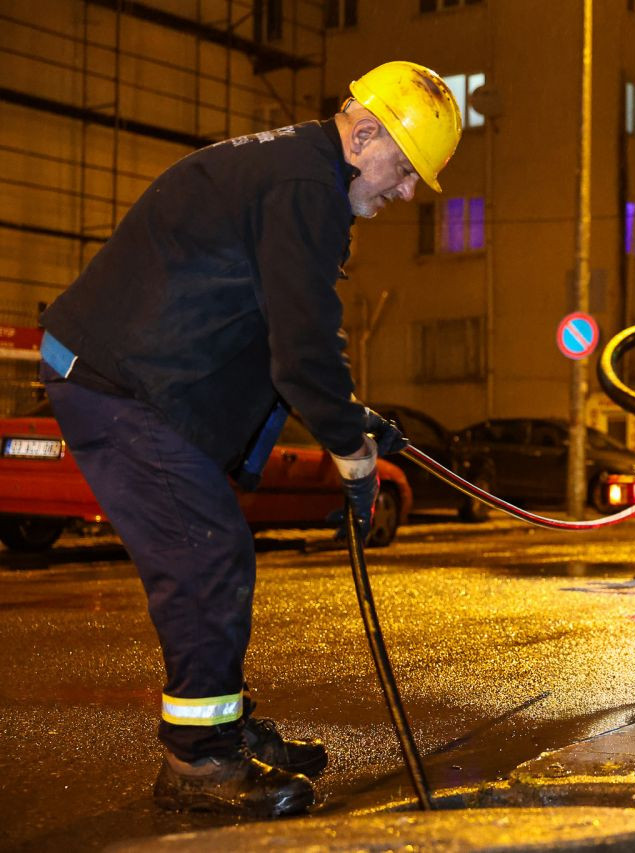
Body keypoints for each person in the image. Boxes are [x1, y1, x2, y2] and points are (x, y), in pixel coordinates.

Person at [36, 61, 462, 817]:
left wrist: (350, 420)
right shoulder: (304, 187)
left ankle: (222, 732)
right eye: (404, 170)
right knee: (207, 555)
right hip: (118, 386)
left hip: (134, 380)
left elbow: (279, 337)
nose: (405, 193)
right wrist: (348, 446)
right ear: (364, 134)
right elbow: (301, 345)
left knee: (212, 551)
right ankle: (199, 765)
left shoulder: (297, 173)